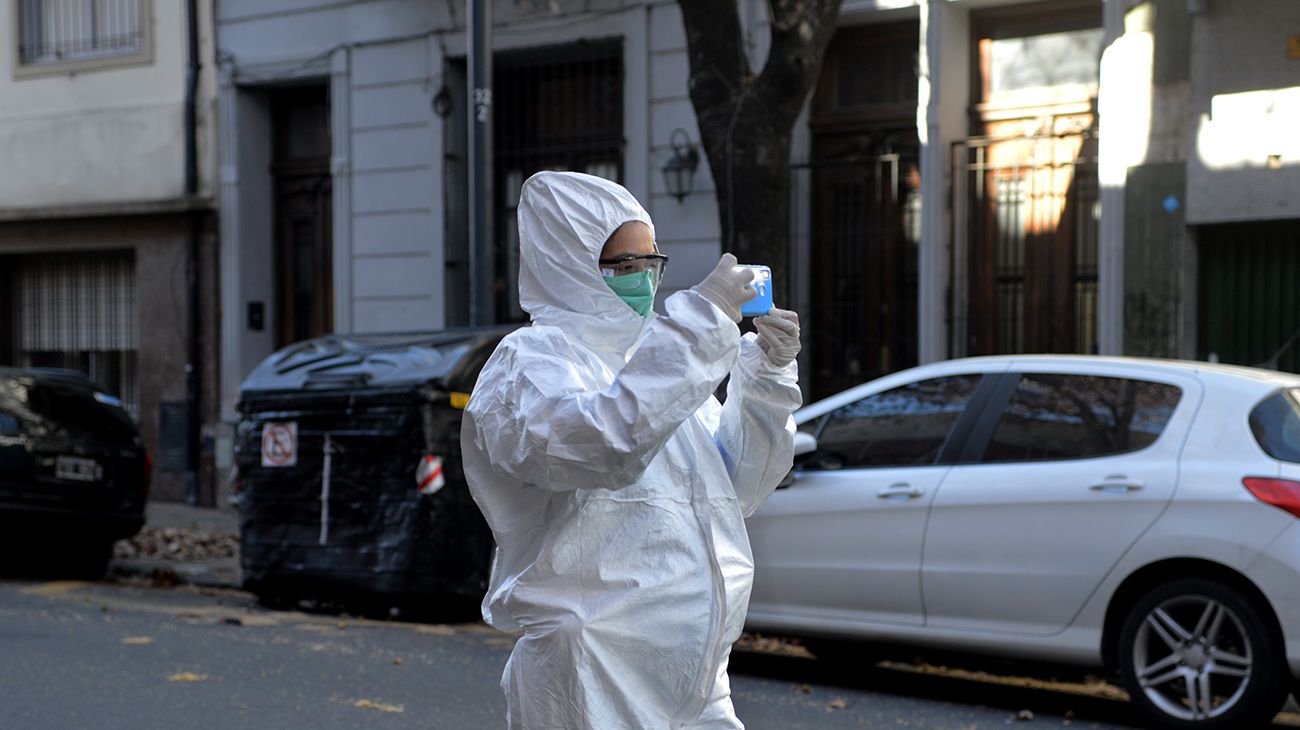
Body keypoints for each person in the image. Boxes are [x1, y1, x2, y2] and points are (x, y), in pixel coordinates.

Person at [461, 171, 803, 729]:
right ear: (566, 262)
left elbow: (738, 486)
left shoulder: (655, 361)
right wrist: (701, 324)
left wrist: (766, 378)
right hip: (591, 671)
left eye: (652, 262)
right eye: (623, 264)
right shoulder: (529, 365)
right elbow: (600, 446)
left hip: (695, 674)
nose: (643, 280)